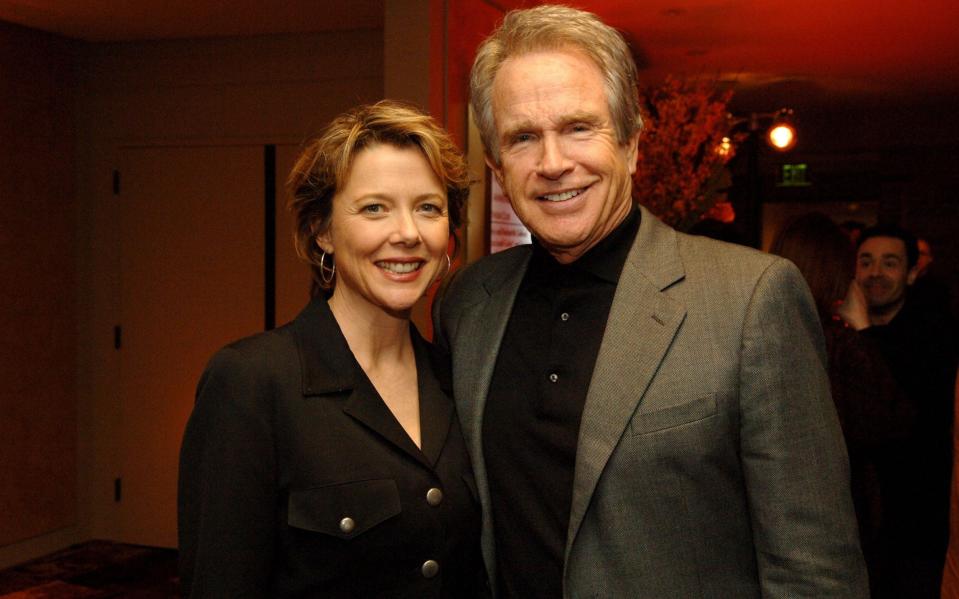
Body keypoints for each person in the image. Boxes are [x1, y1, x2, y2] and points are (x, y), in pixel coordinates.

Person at [433, 5, 867, 597]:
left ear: (632, 144)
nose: (554, 163)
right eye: (523, 138)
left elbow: (813, 567)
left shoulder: (750, 300)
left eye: (579, 127)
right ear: (497, 167)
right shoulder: (467, 302)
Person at [178, 100, 483, 598]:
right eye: (374, 208)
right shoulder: (253, 383)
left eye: (427, 207)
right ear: (322, 231)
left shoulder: (457, 377)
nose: (406, 233)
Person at [770, 212, 914, 597]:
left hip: (774, 519)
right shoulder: (838, 344)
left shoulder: (764, 334)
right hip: (835, 522)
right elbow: (893, 426)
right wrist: (862, 327)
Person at [855, 223, 958, 597]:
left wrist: (866, 332)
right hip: (862, 526)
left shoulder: (933, 335)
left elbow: (906, 418)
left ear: (912, 273)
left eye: (889, 263)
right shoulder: (839, 336)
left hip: (916, 522)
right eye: (866, 262)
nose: (875, 273)